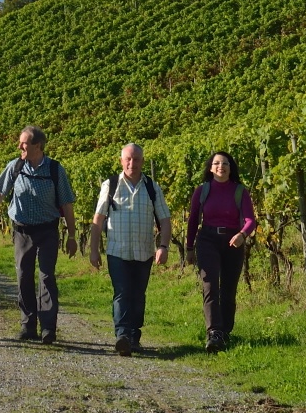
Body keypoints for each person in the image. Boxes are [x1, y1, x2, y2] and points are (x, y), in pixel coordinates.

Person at [0, 125, 76, 344]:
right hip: (22, 230)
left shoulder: (55, 169)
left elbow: (67, 203)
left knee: (46, 277)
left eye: (23, 143)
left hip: (47, 230)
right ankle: (28, 325)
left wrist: (72, 236)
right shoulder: (14, 167)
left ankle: (48, 328)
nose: (19, 146)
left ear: (37, 146)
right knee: (23, 276)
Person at [89, 142, 171, 356]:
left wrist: (163, 246)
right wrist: (94, 250)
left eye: (136, 159)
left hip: (144, 252)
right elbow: (98, 219)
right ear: (121, 161)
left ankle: (134, 337)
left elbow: (165, 219)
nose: (131, 163)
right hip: (118, 251)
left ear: (142, 162)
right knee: (122, 292)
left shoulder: (152, 187)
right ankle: (123, 335)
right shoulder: (111, 185)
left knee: (138, 294)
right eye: (128, 158)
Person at [184, 150, 256, 352]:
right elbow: (193, 220)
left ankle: (225, 331)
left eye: (225, 163)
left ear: (230, 168)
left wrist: (242, 234)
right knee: (209, 284)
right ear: (210, 167)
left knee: (228, 289)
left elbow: (251, 220)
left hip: (233, 241)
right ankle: (213, 332)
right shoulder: (202, 190)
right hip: (207, 239)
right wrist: (189, 247)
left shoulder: (240, 190)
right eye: (216, 163)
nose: (220, 167)